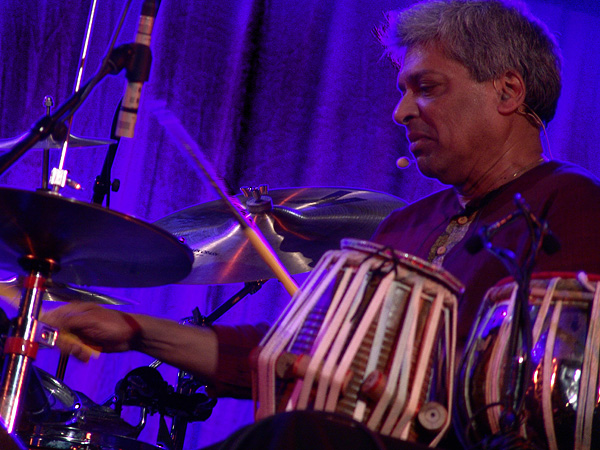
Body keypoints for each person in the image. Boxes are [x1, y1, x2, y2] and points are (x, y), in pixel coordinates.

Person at [43, 0, 600, 447]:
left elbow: (546, 388)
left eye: (426, 87)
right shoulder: (405, 227)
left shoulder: (572, 204)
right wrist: (138, 331)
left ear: (507, 91)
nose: (400, 112)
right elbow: (292, 356)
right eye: (403, 90)